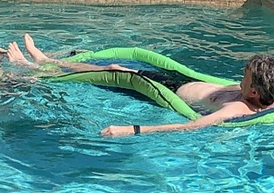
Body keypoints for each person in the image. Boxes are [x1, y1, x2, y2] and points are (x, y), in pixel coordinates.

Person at [101, 53, 274, 136]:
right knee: (121, 69)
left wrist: (133, 129)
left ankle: (86, 66)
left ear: (254, 92)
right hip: (184, 81)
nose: (241, 79)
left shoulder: (235, 109)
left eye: (245, 77)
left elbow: (190, 126)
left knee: (115, 71)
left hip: (169, 90)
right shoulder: (255, 93)